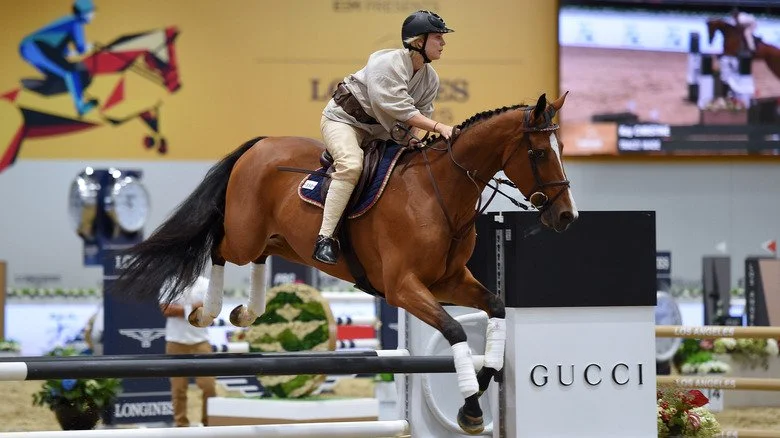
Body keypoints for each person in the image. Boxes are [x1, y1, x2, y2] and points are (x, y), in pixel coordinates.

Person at [313, 10, 456, 265]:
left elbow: (423, 112)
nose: (443, 43)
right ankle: (325, 238)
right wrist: (439, 127)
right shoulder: (387, 63)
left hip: (380, 131)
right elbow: (400, 109)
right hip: (344, 121)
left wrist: (414, 138)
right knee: (351, 165)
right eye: (438, 37)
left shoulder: (430, 78)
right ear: (418, 41)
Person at [18, 0, 98, 117]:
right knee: (70, 73)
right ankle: (80, 107)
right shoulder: (76, 23)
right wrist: (90, 46)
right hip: (36, 48)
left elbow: (61, 48)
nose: (93, 15)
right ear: (84, 14)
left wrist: (71, 52)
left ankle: (35, 85)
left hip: (30, 48)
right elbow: (81, 49)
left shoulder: (68, 20)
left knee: (60, 74)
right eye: (91, 12)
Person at [159, 276, 216, 427]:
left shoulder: (205, 283)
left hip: (201, 341)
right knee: (178, 389)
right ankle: (181, 425)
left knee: (209, 386)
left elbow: (210, 308)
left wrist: (180, 309)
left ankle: (208, 424)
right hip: (176, 341)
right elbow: (165, 309)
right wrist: (192, 309)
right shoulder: (170, 282)